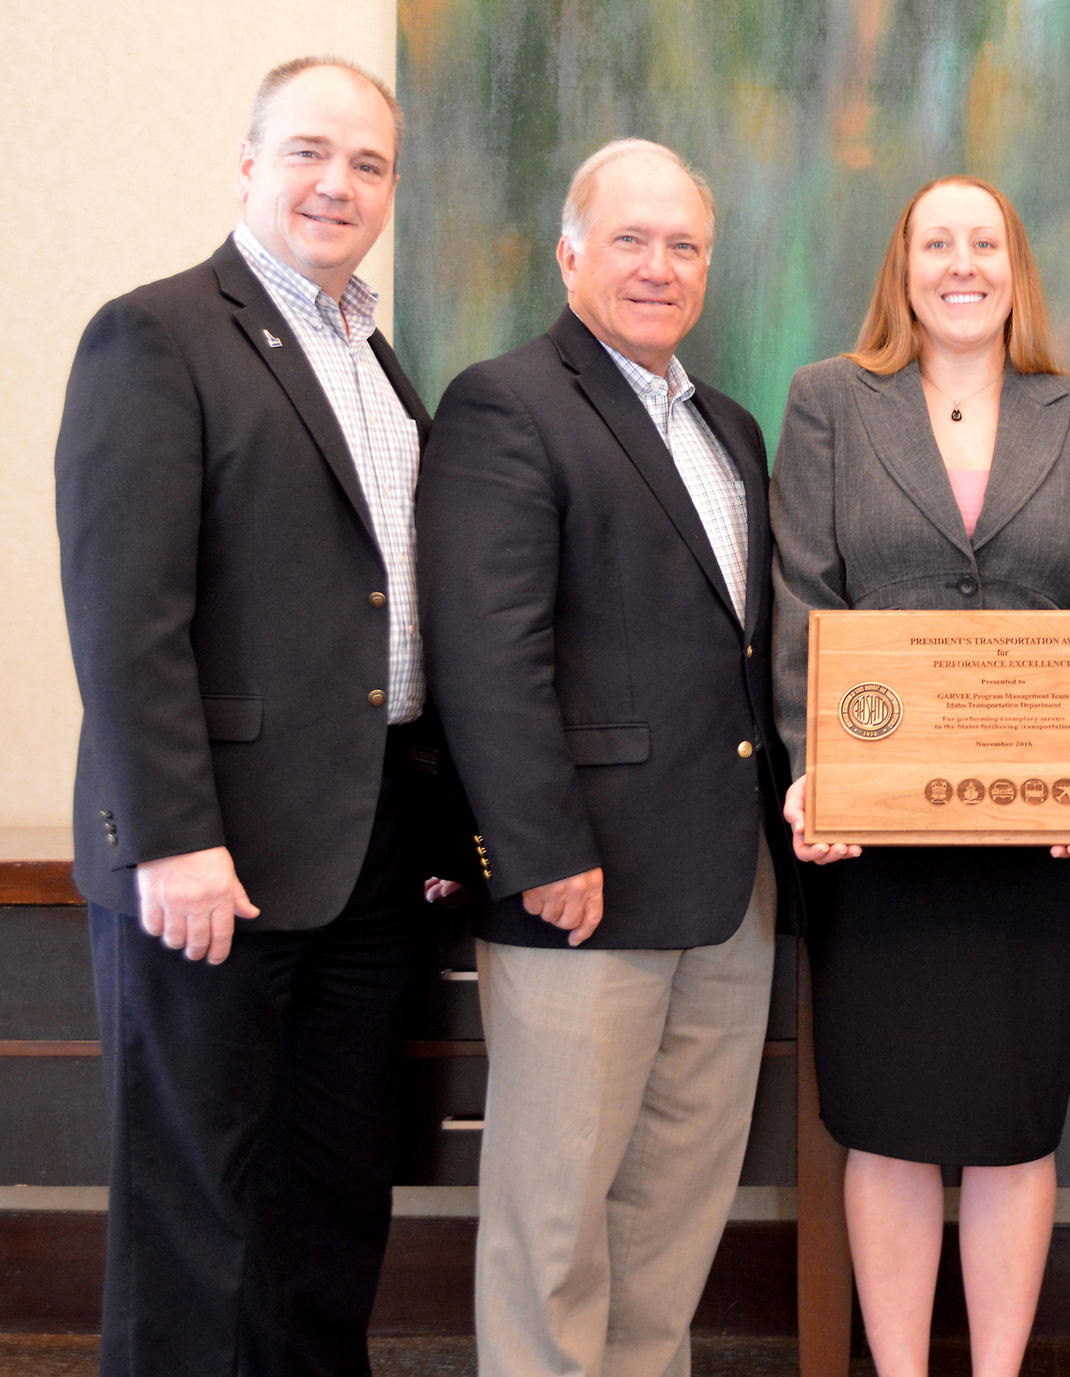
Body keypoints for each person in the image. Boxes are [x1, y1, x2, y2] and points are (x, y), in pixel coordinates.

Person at [55, 56, 472, 1377]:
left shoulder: (373, 353)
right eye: (307, 152)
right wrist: (171, 836)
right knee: (191, 1221)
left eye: (367, 164)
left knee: (328, 1207)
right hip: (212, 864)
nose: (336, 183)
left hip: (361, 864)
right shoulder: (158, 333)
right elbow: (126, 619)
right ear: (247, 165)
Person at [416, 138, 796, 1377]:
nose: (659, 266)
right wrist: (538, 849)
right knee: (559, 1212)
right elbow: (488, 653)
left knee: (677, 1201)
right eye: (630, 240)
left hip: (724, 885)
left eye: (684, 246)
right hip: (582, 884)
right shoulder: (504, 402)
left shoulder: (726, 425)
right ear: (569, 253)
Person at [770, 174, 1070, 1377]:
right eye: (936, 241)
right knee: (882, 1128)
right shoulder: (831, 401)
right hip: (873, 836)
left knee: (1012, 1126)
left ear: (1015, 265)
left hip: (1043, 839)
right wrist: (812, 772)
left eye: (983, 241)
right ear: (902, 264)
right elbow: (799, 600)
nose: (961, 263)